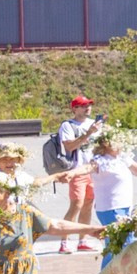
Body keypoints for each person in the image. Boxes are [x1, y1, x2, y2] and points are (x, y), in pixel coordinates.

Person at [53, 96, 105, 252]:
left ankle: (83, 240)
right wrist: (88, 134)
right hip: (77, 170)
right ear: (74, 109)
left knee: (88, 204)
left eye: (89, 105)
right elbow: (69, 146)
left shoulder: (95, 125)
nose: (87, 108)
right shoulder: (68, 126)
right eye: (83, 106)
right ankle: (64, 242)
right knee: (76, 205)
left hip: (94, 170)